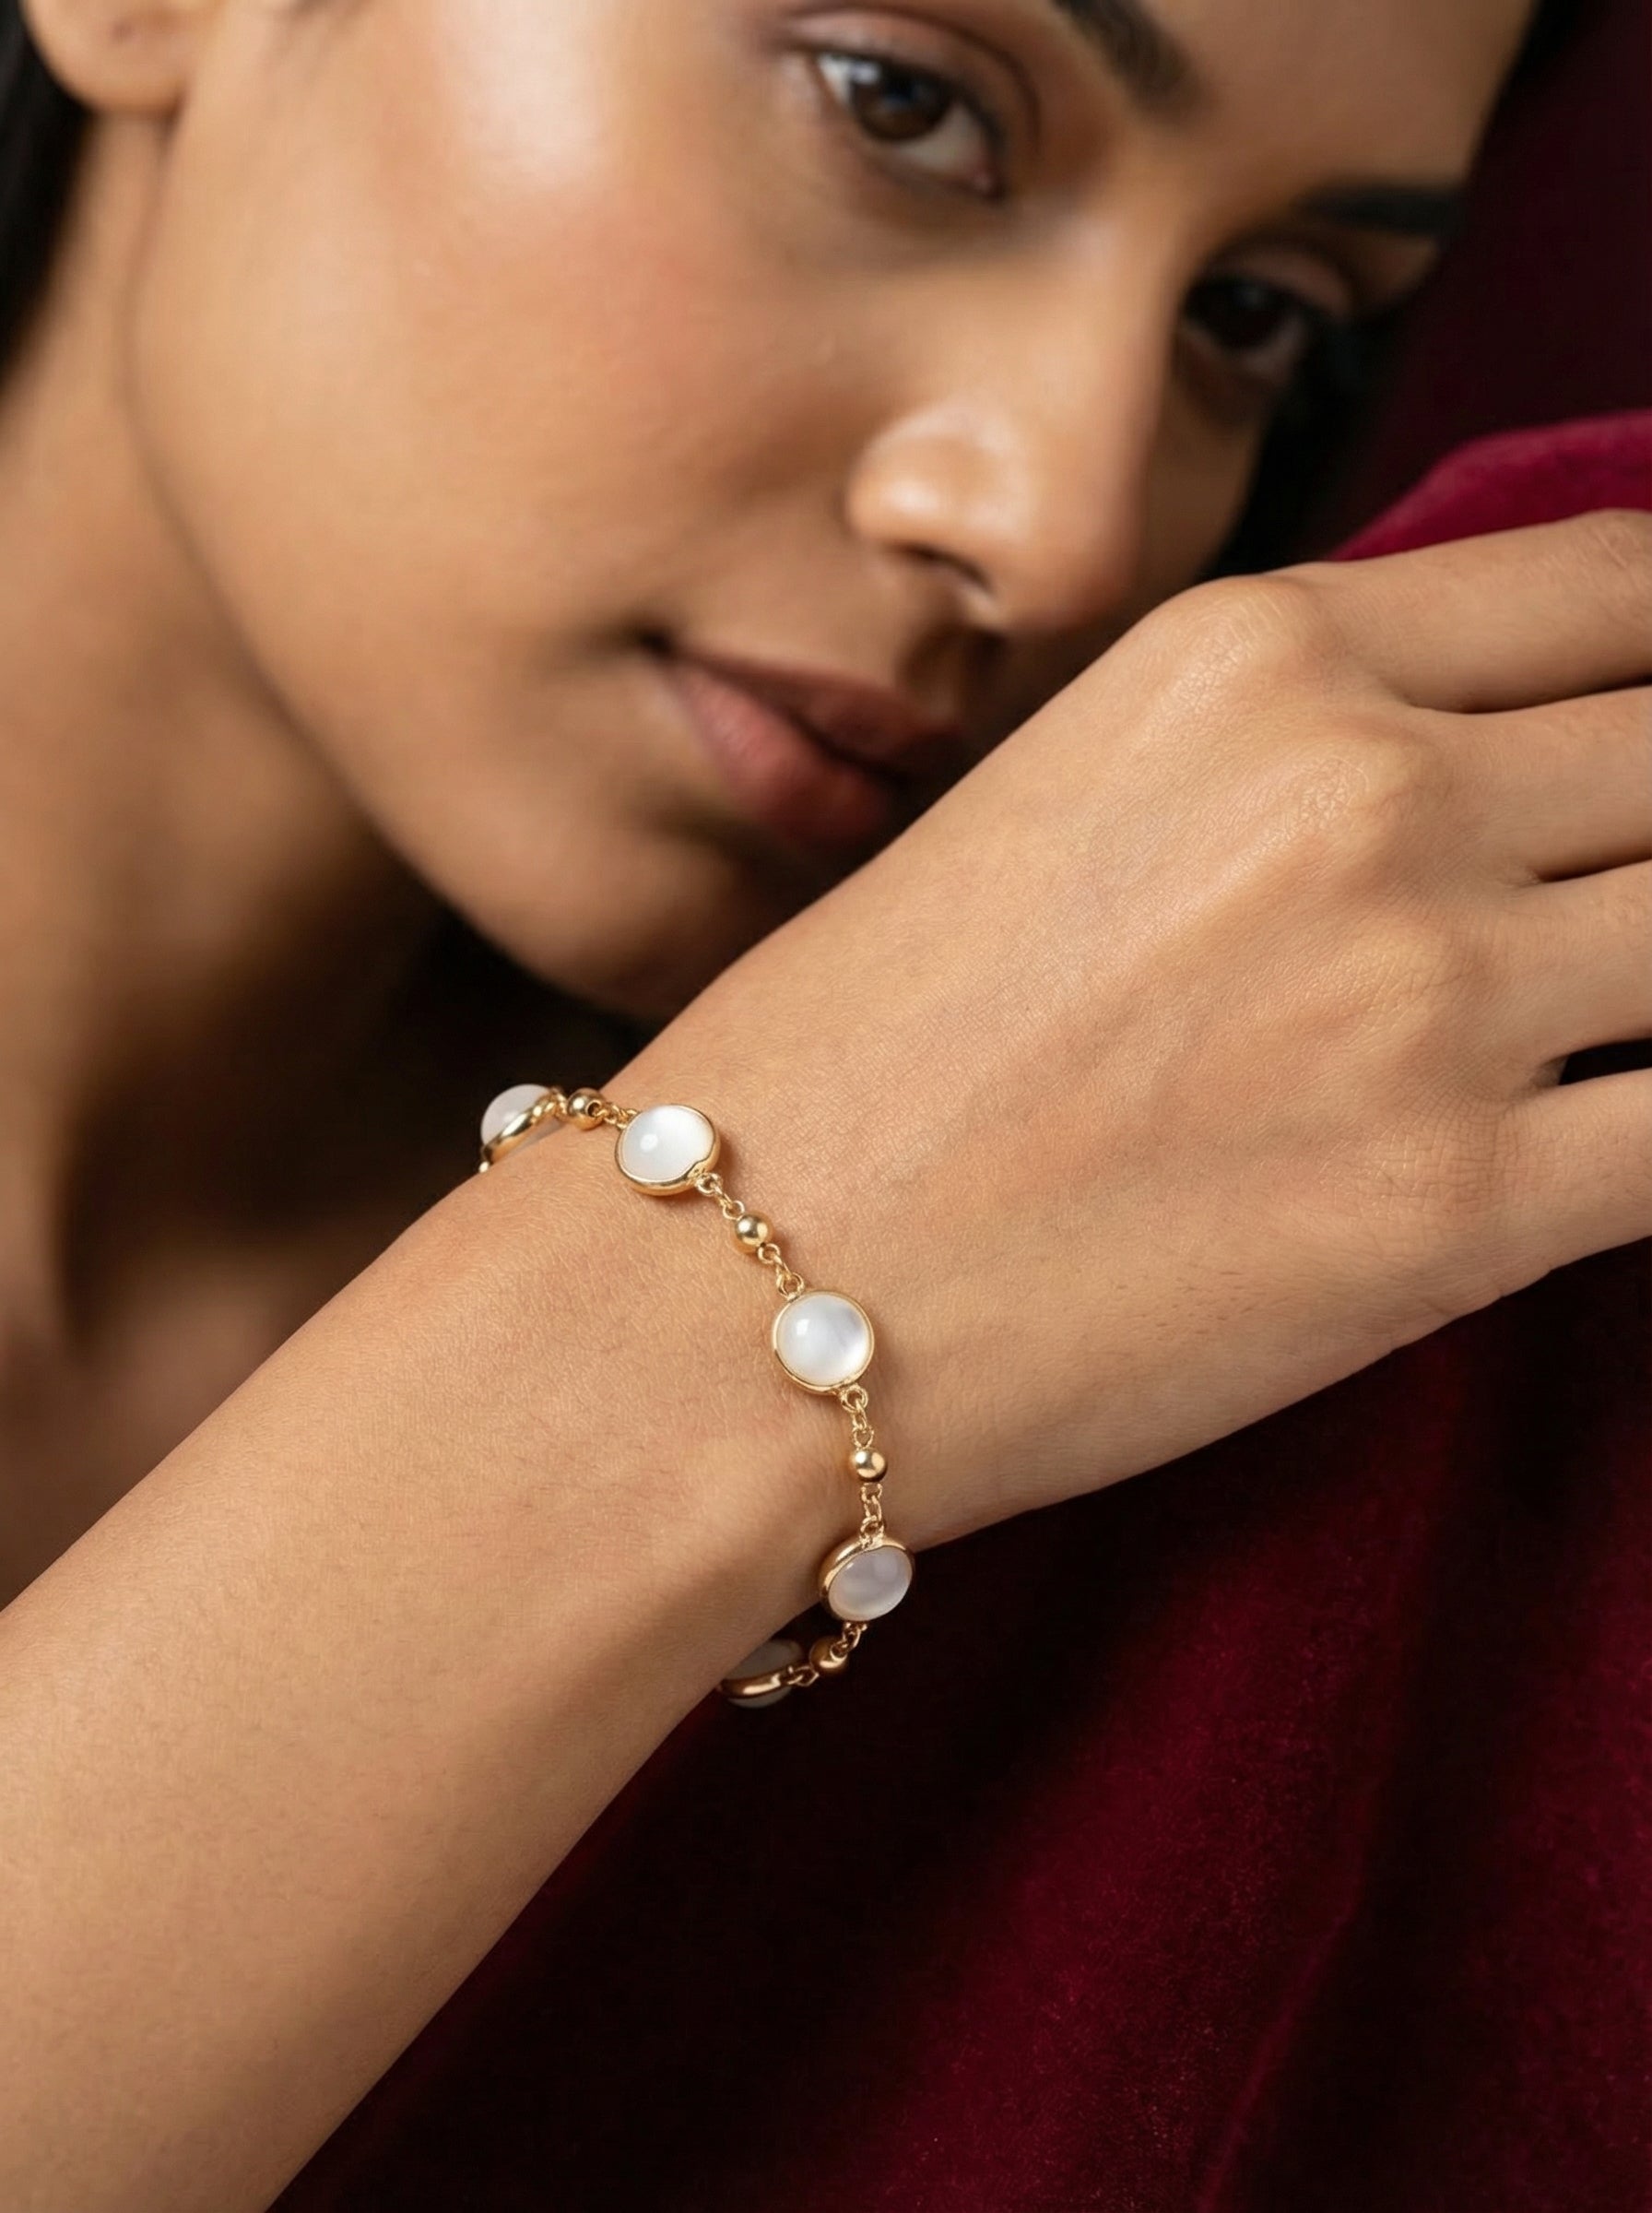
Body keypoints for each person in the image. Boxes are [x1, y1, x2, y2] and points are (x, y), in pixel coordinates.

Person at [0, 0, 1645, 2207]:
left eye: (1253, 319)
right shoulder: (945, 1284)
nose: (1065, 529)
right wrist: (720, 1306)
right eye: (907, 106)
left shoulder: (1169, 1382)